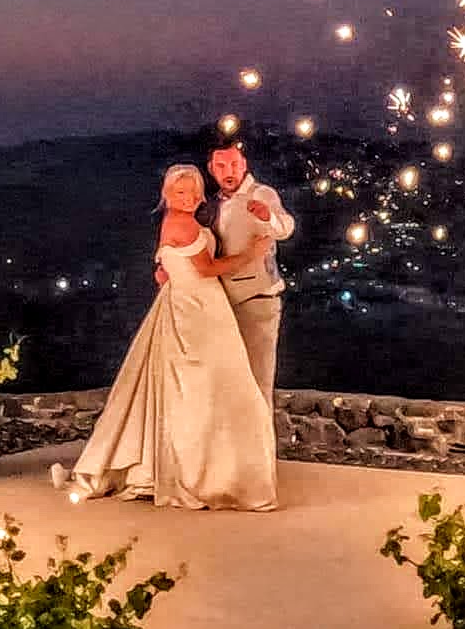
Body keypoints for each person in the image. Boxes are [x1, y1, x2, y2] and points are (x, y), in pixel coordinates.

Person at [55, 163, 279, 510]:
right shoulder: (182, 223)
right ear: (166, 194)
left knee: (201, 391)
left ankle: (207, 471)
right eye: (180, 192)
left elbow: (173, 260)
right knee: (215, 390)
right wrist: (252, 254)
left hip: (195, 305)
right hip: (197, 311)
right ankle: (210, 476)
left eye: (193, 192)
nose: (189, 198)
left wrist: (167, 268)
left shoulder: (181, 222)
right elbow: (207, 268)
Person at [204, 136, 294, 404]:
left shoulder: (261, 194)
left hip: (257, 300)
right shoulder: (212, 203)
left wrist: (268, 217)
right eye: (220, 166)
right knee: (227, 386)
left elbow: (286, 227)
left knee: (258, 384)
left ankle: (261, 446)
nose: (228, 171)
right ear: (211, 168)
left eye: (233, 164)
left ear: (244, 164)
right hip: (223, 302)